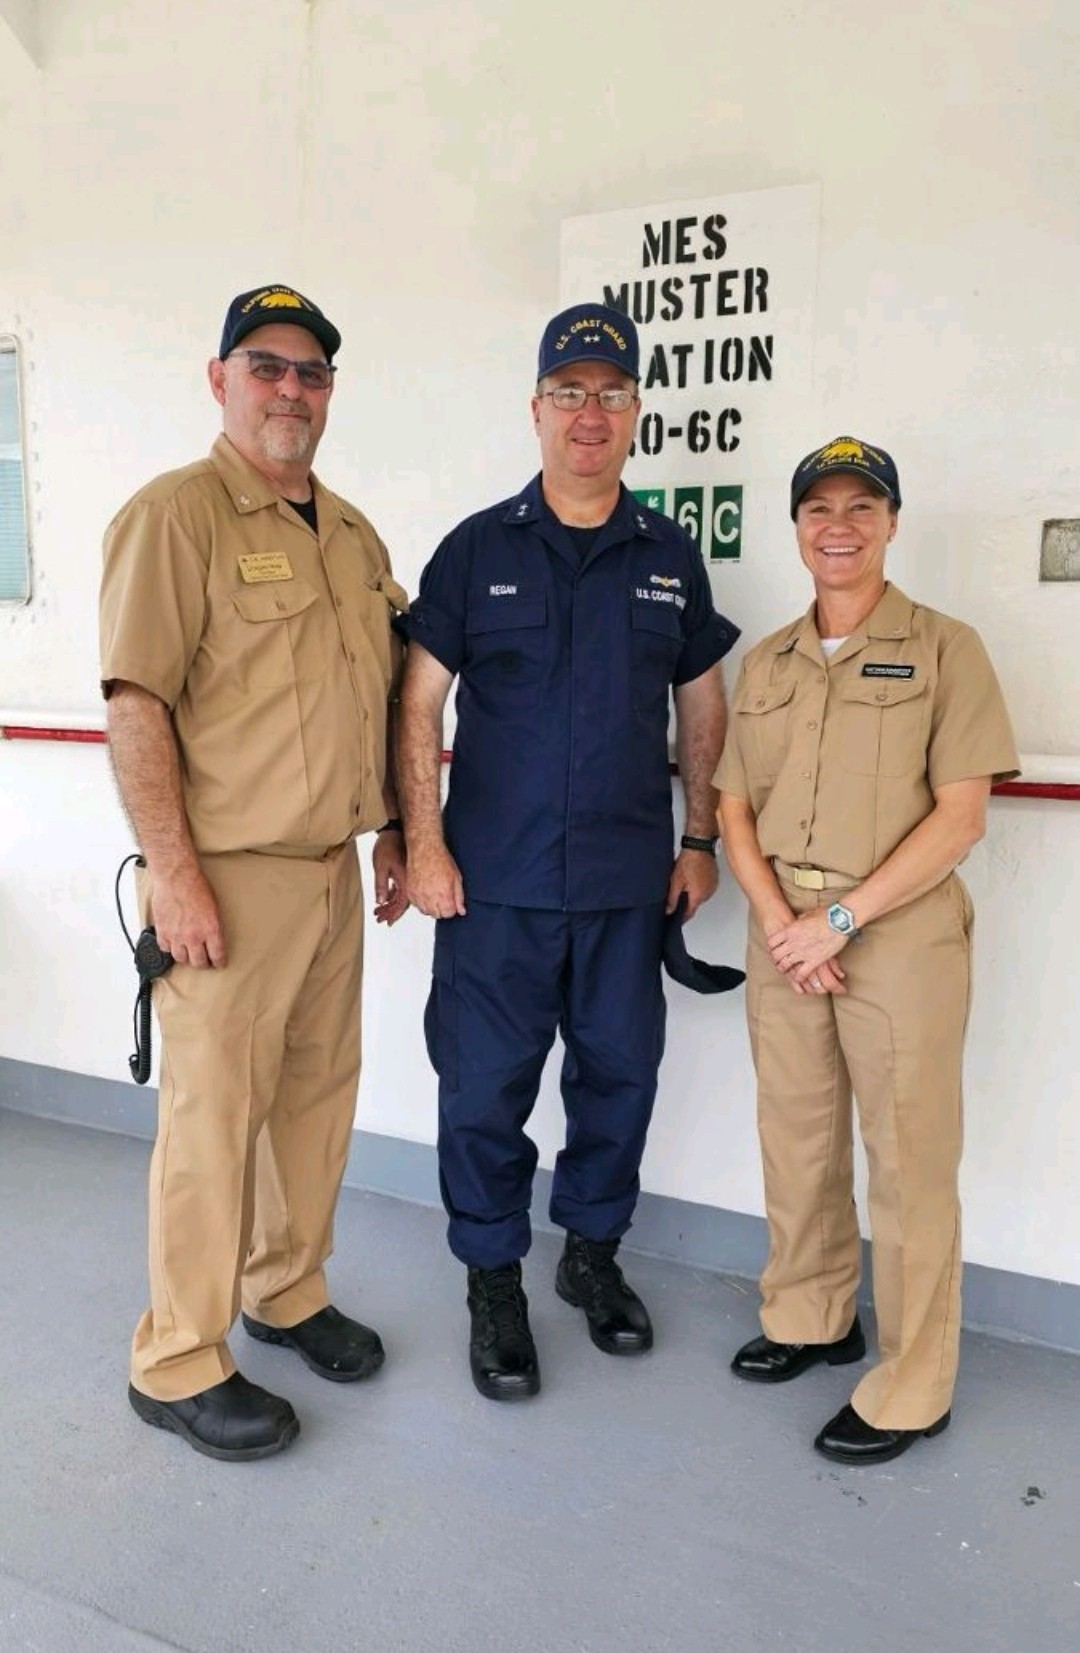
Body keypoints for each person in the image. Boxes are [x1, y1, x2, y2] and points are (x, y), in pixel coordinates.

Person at [396, 302, 739, 1401]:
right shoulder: (476, 550)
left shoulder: (668, 555)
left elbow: (703, 700)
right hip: (491, 887)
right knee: (484, 1090)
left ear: (636, 412)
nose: (589, 413)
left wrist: (697, 838)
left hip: (624, 886)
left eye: (609, 392)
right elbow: (419, 709)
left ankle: (589, 1256)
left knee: (619, 1082)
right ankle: (494, 1276)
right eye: (568, 392)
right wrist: (424, 839)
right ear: (535, 409)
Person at [100, 284, 409, 1461]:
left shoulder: (351, 534)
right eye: (267, 366)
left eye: (312, 372)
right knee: (213, 1122)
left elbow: (375, 696)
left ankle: (286, 1290)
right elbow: (138, 707)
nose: (292, 389)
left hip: (332, 873)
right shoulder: (176, 518)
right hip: (223, 878)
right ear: (220, 379)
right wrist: (173, 877)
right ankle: (177, 1356)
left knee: (316, 1102)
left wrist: (391, 832)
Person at [717, 435, 1019, 1465]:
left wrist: (837, 922)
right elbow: (730, 807)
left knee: (908, 1164)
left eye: (860, 507)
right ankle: (811, 1318)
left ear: (892, 523)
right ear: (796, 527)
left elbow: (961, 816)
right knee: (796, 1143)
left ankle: (913, 1385)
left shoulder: (946, 648)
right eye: (818, 509)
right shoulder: (767, 660)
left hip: (895, 939)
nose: (837, 526)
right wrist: (779, 924)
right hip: (784, 936)